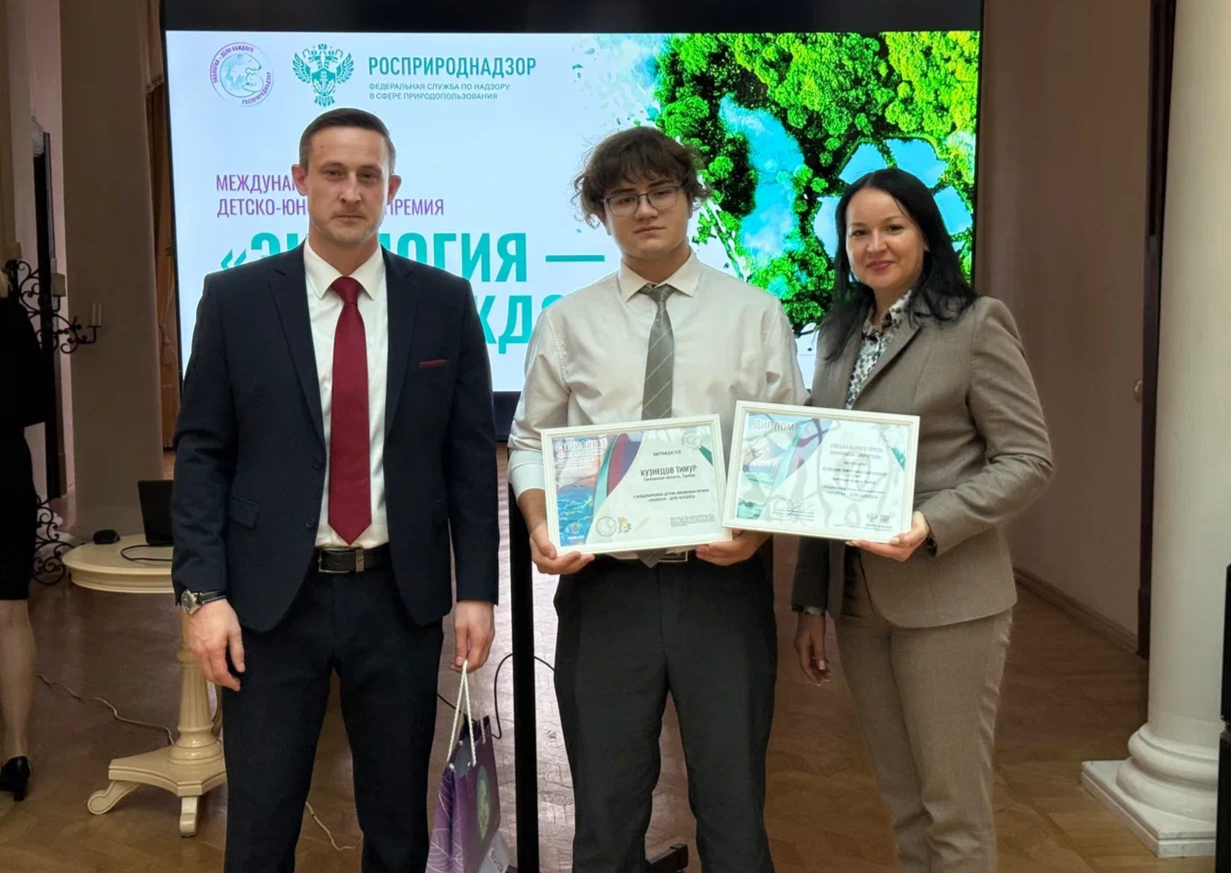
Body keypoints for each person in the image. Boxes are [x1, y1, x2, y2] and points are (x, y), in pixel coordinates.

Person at [171, 108, 499, 873]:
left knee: (397, 825)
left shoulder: (443, 301)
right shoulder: (235, 299)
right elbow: (202, 453)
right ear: (299, 181)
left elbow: (466, 456)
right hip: (268, 604)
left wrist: (477, 590)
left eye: (368, 176)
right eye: (333, 173)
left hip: (397, 597)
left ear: (392, 188)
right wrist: (202, 593)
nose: (351, 191)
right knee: (260, 823)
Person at [508, 125, 807, 873]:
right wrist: (541, 523)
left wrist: (756, 532)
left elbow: (783, 446)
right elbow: (529, 440)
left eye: (660, 191)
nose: (644, 209)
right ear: (600, 213)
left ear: (688, 197)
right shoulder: (567, 320)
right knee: (606, 813)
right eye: (623, 198)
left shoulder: (754, 313)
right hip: (605, 590)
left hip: (722, 587)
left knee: (734, 808)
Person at [791, 168, 1053, 873]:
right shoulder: (838, 333)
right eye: (858, 232)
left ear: (927, 236)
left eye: (892, 228)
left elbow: (1028, 459)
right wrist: (812, 600)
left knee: (952, 811)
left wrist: (929, 523)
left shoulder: (975, 324)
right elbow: (820, 472)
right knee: (904, 804)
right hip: (857, 601)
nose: (874, 245)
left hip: (948, 599)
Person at [0, 274, 46, 802]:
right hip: (6, 472)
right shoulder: (11, 315)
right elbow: (36, 402)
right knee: (12, 615)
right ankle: (16, 754)